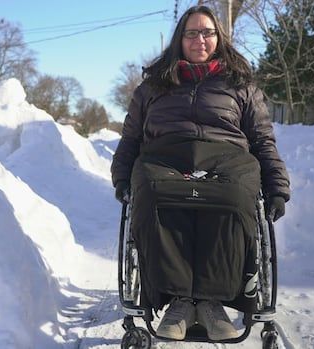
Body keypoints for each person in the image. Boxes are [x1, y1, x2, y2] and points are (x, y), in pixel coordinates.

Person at [111, 5, 290, 342]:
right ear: (180, 39)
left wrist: (277, 187)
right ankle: (178, 301)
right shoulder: (152, 87)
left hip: (226, 159)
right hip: (165, 158)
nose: (200, 40)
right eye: (191, 33)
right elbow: (131, 138)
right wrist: (121, 178)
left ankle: (211, 302)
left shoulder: (241, 85)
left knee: (237, 196)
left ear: (218, 38)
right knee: (150, 192)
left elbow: (262, 140)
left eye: (207, 32)